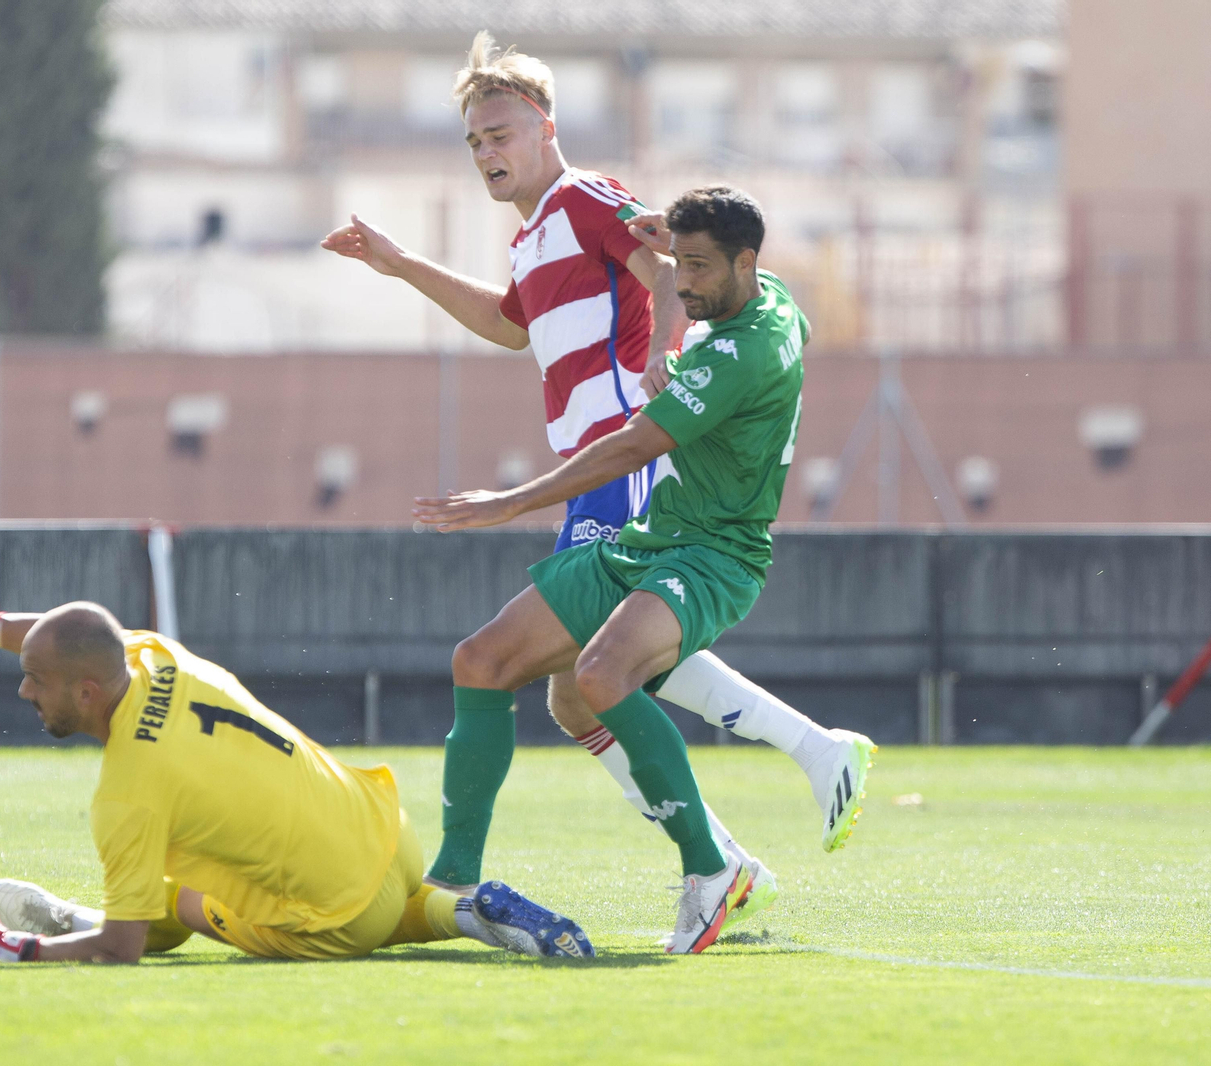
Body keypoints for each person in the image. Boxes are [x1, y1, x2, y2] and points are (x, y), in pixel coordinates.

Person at [321, 34, 873, 902]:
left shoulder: (583, 197)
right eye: (474, 142)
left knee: (592, 669)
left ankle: (790, 778)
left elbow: (661, 264)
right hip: (597, 467)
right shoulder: (536, 234)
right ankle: (733, 848)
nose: (486, 154)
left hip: (629, 463)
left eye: (499, 134)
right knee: (577, 695)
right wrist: (400, 266)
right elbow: (511, 325)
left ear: (544, 128)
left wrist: (666, 343)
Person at [412, 186, 873, 954]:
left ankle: (712, 868)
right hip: (655, 538)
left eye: (696, 267)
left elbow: (631, 447)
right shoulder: (774, 301)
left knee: (601, 679)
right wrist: (673, 252)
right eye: (675, 261)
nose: (681, 282)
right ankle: (453, 879)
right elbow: (738, 293)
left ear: (744, 262)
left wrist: (511, 502)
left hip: (717, 555)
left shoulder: (737, 353)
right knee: (482, 661)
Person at [0, 591, 594, 963]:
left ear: (83, 694)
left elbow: (121, 949)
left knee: (169, 904)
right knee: (211, 875)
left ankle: (61, 918)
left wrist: (0, 950)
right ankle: (465, 911)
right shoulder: (152, 653)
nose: (22, 692)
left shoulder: (126, 792)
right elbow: (74, 636)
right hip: (385, 829)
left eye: (33, 682)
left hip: (337, 915)